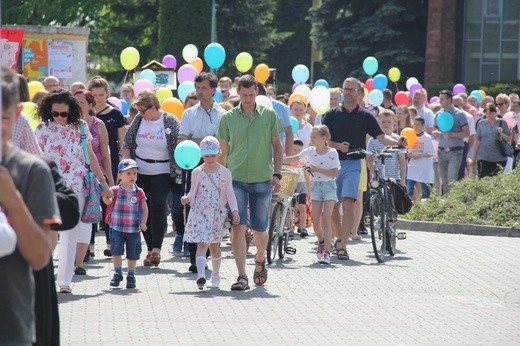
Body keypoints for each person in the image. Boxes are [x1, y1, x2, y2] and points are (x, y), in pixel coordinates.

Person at [1, 66, 58, 345]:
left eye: (4, 118)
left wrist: (11, 198)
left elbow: (40, 256)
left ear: (18, 116)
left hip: (11, 328)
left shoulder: (34, 172)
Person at [34, 89, 111, 292]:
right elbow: (34, 158)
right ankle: (42, 276)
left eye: (64, 114)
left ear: (72, 112)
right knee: (46, 233)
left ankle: (65, 282)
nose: (59, 118)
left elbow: (91, 157)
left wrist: (104, 183)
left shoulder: (81, 127)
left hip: (76, 188)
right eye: (55, 113)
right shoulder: (42, 129)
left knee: (70, 234)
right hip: (47, 188)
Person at [323, 77, 405, 260]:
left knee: (348, 202)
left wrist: (398, 142)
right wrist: (337, 145)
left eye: (351, 90)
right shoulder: (332, 114)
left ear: (359, 92)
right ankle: (338, 238)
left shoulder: (366, 116)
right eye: (345, 89)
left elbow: (382, 137)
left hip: (354, 163)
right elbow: (323, 140)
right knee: (333, 206)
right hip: (333, 163)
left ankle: (343, 245)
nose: (348, 93)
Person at [217, 74, 284, 290]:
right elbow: (223, 150)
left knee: (260, 228)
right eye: (244, 95)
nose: (247, 99)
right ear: (238, 93)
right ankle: (242, 276)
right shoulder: (228, 118)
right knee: (238, 225)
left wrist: (278, 174)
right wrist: (220, 177)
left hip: (262, 178)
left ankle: (260, 259)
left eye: (251, 94)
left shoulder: (269, 115)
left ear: (257, 92)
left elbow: (278, 146)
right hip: (235, 179)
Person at [120, 89, 180, 267]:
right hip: (140, 170)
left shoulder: (169, 120)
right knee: (143, 206)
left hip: (162, 169)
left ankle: (157, 248)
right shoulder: (139, 121)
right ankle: (149, 249)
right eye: (138, 111)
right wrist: (125, 163)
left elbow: (178, 144)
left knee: (157, 204)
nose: (140, 114)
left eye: (143, 110)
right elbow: (127, 144)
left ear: (153, 107)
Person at [175, 72, 225, 271]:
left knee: (211, 208)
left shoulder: (222, 114)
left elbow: (222, 142)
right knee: (191, 207)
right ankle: (193, 255)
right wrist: (205, 143)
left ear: (213, 89)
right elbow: (182, 140)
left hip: (214, 168)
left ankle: (206, 254)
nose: (200, 91)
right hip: (193, 166)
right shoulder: (189, 113)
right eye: (198, 88)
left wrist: (201, 143)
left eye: (204, 88)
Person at [181, 136, 239, 289]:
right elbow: (194, 190)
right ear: (202, 155)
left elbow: (230, 193)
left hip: (216, 213)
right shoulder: (197, 172)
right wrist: (187, 198)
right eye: (206, 155)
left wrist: (234, 210)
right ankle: (201, 275)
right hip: (200, 211)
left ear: (219, 153)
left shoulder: (225, 172)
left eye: (213, 155)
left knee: (214, 245)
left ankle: (215, 275)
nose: (210, 158)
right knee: (202, 243)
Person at [284, 126, 340, 264]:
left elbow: (334, 172)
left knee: (326, 218)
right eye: (311, 136)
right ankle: (321, 241)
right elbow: (295, 159)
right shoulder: (309, 151)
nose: (312, 139)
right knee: (315, 221)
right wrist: (276, 160)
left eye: (314, 136)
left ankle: (327, 252)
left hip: (328, 186)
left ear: (324, 138)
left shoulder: (332, 152)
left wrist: (317, 169)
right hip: (315, 187)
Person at [88, 76, 127, 256]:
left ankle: (111, 242)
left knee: (108, 202)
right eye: (94, 95)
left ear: (107, 94)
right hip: (89, 163)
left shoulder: (116, 115)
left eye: (101, 94)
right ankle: (89, 245)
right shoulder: (85, 115)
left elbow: (122, 142)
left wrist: (120, 166)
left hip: (109, 162)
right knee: (89, 203)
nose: (98, 98)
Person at [74, 90, 114, 260]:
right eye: (75, 102)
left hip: (96, 173)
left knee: (96, 210)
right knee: (83, 212)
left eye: (81, 102)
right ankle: (86, 250)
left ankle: (109, 244)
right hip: (76, 175)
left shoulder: (98, 125)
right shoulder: (70, 124)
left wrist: (110, 180)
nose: (77, 105)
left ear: (90, 105)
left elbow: (105, 154)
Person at [103, 159, 148, 289]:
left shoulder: (139, 192)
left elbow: (145, 208)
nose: (132, 176)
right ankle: (117, 273)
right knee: (116, 251)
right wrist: (106, 197)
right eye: (128, 173)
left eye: (134, 173)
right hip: (117, 227)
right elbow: (107, 201)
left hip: (133, 228)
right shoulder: (115, 190)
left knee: (133, 253)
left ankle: (131, 275)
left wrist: (143, 222)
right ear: (119, 175)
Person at [432, 90, 469, 195]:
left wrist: (452, 134)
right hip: (441, 151)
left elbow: (467, 132)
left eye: (442, 99)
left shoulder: (460, 114)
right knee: (444, 181)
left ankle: (453, 205)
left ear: (449, 99)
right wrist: (435, 132)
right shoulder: (438, 114)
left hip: (455, 151)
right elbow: (435, 129)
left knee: (452, 180)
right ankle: (447, 205)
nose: (440, 101)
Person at [366, 109, 407, 185]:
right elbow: (369, 159)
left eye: (389, 122)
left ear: (394, 124)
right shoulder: (373, 139)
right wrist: (374, 173)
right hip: (378, 178)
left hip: (394, 178)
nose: (386, 124)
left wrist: (403, 179)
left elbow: (402, 161)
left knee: (395, 196)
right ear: (378, 123)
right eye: (383, 122)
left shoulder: (398, 140)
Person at [471, 104, 512, 178]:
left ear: (495, 113)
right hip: (484, 157)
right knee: (483, 179)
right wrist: (474, 158)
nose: (488, 115)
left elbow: (509, 139)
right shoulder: (481, 123)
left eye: (490, 113)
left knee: (496, 180)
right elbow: (477, 141)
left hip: (499, 158)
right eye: (486, 113)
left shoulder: (502, 122)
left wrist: (501, 133)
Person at [406, 116, 435, 200]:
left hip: (424, 167)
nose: (415, 126)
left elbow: (431, 153)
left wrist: (419, 156)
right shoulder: (410, 136)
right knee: (409, 189)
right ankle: (409, 207)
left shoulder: (427, 138)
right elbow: (409, 148)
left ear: (422, 126)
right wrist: (409, 154)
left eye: (418, 124)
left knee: (426, 191)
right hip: (413, 167)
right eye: (414, 124)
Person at [288, 139, 311, 238]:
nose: (297, 152)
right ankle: (289, 227)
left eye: (299, 150)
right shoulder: (287, 160)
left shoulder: (303, 162)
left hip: (301, 185)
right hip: (291, 185)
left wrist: (309, 191)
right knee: (290, 208)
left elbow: (307, 176)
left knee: (302, 206)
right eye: (294, 150)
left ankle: (302, 227)